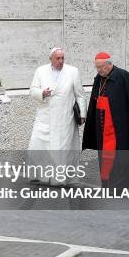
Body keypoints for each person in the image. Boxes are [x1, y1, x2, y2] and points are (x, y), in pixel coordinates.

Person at [82, 52, 129, 189]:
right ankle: (107, 185)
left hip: (118, 127)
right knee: (105, 157)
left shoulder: (124, 76)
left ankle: (118, 187)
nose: (99, 70)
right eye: (97, 67)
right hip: (102, 126)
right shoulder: (99, 79)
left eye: (101, 67)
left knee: (118, 158)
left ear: (109, 64)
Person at [27, 48, 87, 186]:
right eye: (58, 58)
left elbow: (80, 94)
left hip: (65, 117)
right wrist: (42, 93)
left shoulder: (73, 71)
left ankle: (60, 179)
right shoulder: (40, 71)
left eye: (62, 58)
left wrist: (83, 114)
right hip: (45, 117)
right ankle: (38, 176)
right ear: (51, 59)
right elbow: (32, 90)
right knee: (38, 144)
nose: (61, 61)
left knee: (62, 148)